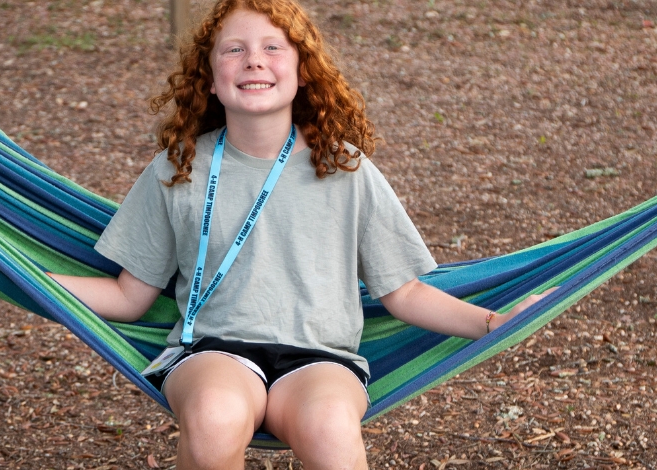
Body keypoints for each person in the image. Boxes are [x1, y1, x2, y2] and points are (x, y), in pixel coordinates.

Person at [47, 0, 549, 467]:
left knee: (330, 427)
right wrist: (17, 271)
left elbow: (405, 290)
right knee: (214, 417)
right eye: (234, 49)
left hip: (321, 358)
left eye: (272, 47)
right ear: (210, 79)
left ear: (303, 71)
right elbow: (128, 296)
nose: (254, 61)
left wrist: (491, 322)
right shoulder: (178, 169)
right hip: (214, 350)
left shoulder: (344, 168)